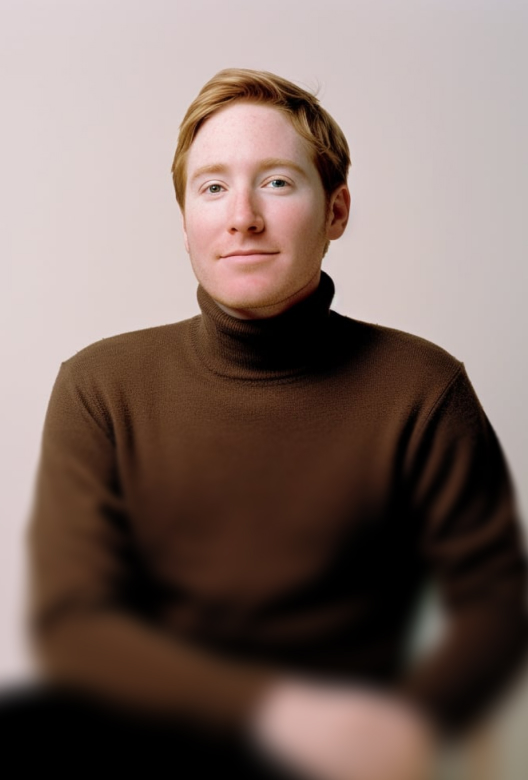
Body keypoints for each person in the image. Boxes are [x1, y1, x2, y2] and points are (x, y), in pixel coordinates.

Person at [5, 67, 527, 779]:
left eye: (278, 182)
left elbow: (497, 605)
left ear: (336, 211)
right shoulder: (100, 385)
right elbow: (74, 624)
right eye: (212, 187)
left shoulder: (422, 388)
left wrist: (405, 723)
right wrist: (270, 712)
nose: (241, 215)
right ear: (186, 220)